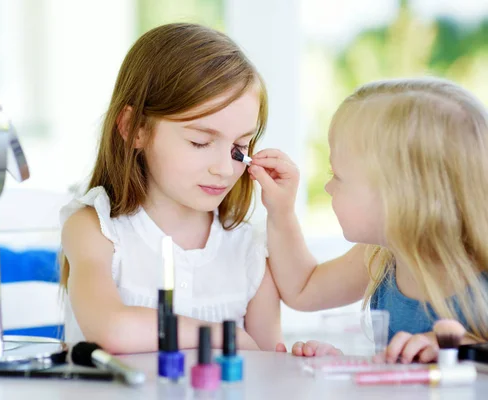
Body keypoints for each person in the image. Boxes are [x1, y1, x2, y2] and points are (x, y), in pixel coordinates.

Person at [59, 23, 282, 354]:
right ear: (134, 129)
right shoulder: (95, 230)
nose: (224, 168)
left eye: (239, 147)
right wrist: (221, 335)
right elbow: (111, 329)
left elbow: (270, 366)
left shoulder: (249, 249)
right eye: (200, 142)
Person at [249, 78, 488, 363]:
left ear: (400, 196)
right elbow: (303, 288)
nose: (328, 188)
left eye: (337, 176)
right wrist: (282, 210)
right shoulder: (381, 258)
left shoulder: (479, 269)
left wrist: (466, 349)